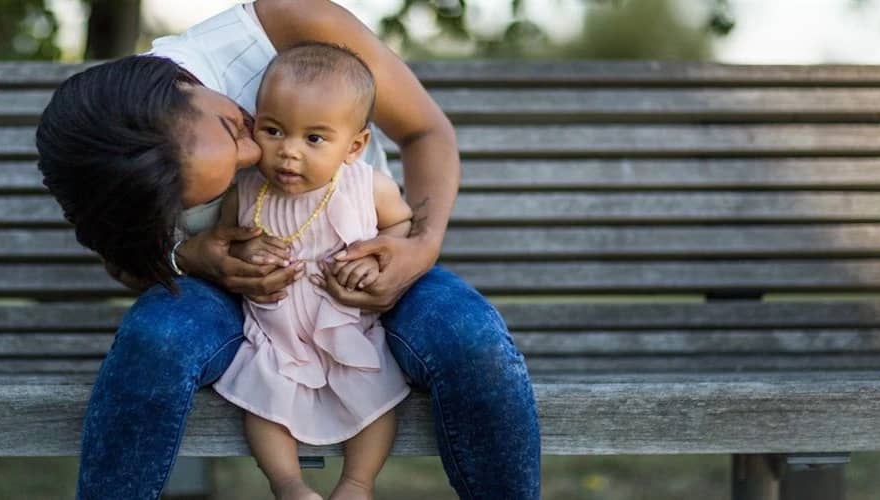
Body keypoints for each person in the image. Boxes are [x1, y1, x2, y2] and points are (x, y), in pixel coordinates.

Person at [34, 1, 540, 499]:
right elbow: (125, 262)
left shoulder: (284, 25)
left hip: (367, 265)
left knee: (471, 337)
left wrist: (419, 249)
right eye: (218, 187)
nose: (256, 154)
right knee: (156, 338)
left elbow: (425, 132)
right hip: (232, 300)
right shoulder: (109, 168)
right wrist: (186, 256)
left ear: (181, 81)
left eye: (235, 126)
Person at [212, 43, 413, 500]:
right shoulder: (245, 190)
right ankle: (288, 484)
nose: (288, 152)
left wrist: (375, 257)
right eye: (273, 131)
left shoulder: (368, 188)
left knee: (376, 394)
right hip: (276, 330)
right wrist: (248, 250)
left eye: (314, 139)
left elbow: (402, 226)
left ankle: (358, 483)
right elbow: (229, 242)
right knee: (263, 397)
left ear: (354, 146)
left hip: (346, 325)